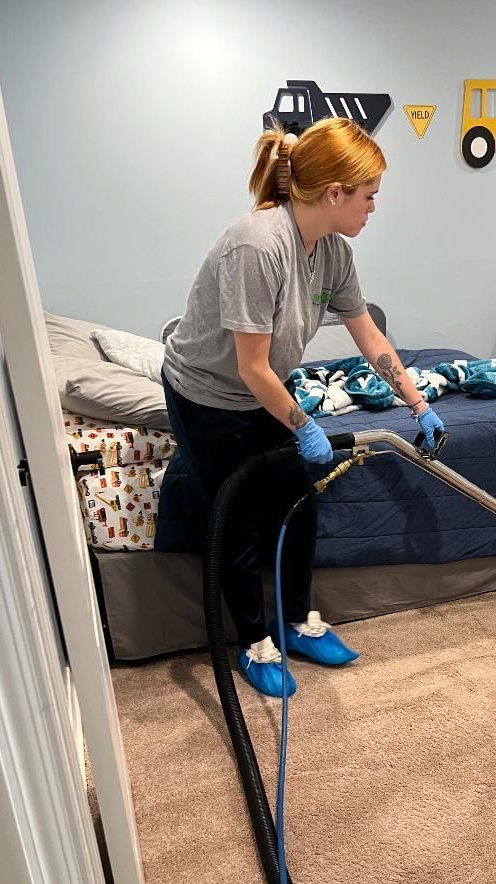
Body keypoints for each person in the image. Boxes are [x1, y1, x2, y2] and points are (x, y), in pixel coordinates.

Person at [161, 117, 445, 698]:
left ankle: (297, 623)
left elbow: (369, 336)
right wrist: (306, 423)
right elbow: (250, 369)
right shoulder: (257, 246)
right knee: (235, 516)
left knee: (300, 503)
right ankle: (254, 642)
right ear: (334, 193)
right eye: (369, 196)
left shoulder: (332, 251)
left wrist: (418, 405)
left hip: (263, 388)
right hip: (208, 395)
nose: (373, 208)